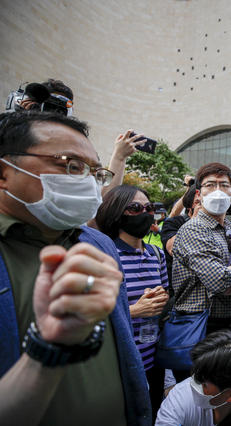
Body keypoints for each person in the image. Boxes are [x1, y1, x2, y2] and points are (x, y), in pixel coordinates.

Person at [0, 111, 151, 425]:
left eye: (94, 172)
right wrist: (49, 352)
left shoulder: (98, 245)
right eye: (70, 165)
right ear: (4, 172)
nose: (86, 181)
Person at [94, 185, 170, 421]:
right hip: (120, 364)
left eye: (149, 208)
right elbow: (92, 313)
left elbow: (165, 296)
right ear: (116, 213)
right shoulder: (104, 256)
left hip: (154, 360)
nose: (146, 214)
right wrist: (135, 310)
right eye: (135, 208)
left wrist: (161, 299)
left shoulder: (156, 254)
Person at [171, 162, 231, 381]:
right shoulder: (193, 229)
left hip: (228, 324)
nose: (218, 191)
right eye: (210, 185)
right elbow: (222, 283)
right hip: (199, 327)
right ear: (199, 193)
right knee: (200, 393)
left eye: (224, 185)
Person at [161, 184, 200, 290]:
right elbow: (175, 249)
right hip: (180, 293)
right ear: (188, 205)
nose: (203, 205)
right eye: (198, 201)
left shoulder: (221, 227)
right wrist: (195, 223)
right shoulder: (175, 223)